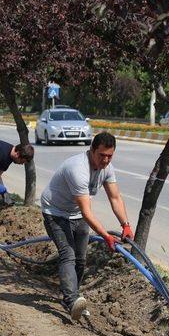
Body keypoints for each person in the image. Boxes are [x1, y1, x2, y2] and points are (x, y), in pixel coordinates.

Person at [41, 132, 133, 321]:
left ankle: (73, 295)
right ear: (92, 150)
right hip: (56, 212)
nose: (106, 160)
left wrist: (125, 225)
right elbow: (87, 212)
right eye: (102, 155)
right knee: (68, 254)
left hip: (76, 212)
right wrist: (106, 235)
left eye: (110, 156)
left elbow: (115, 198)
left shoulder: (107, 168)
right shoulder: (78, 169)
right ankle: (72, 299)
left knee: (81, 259)